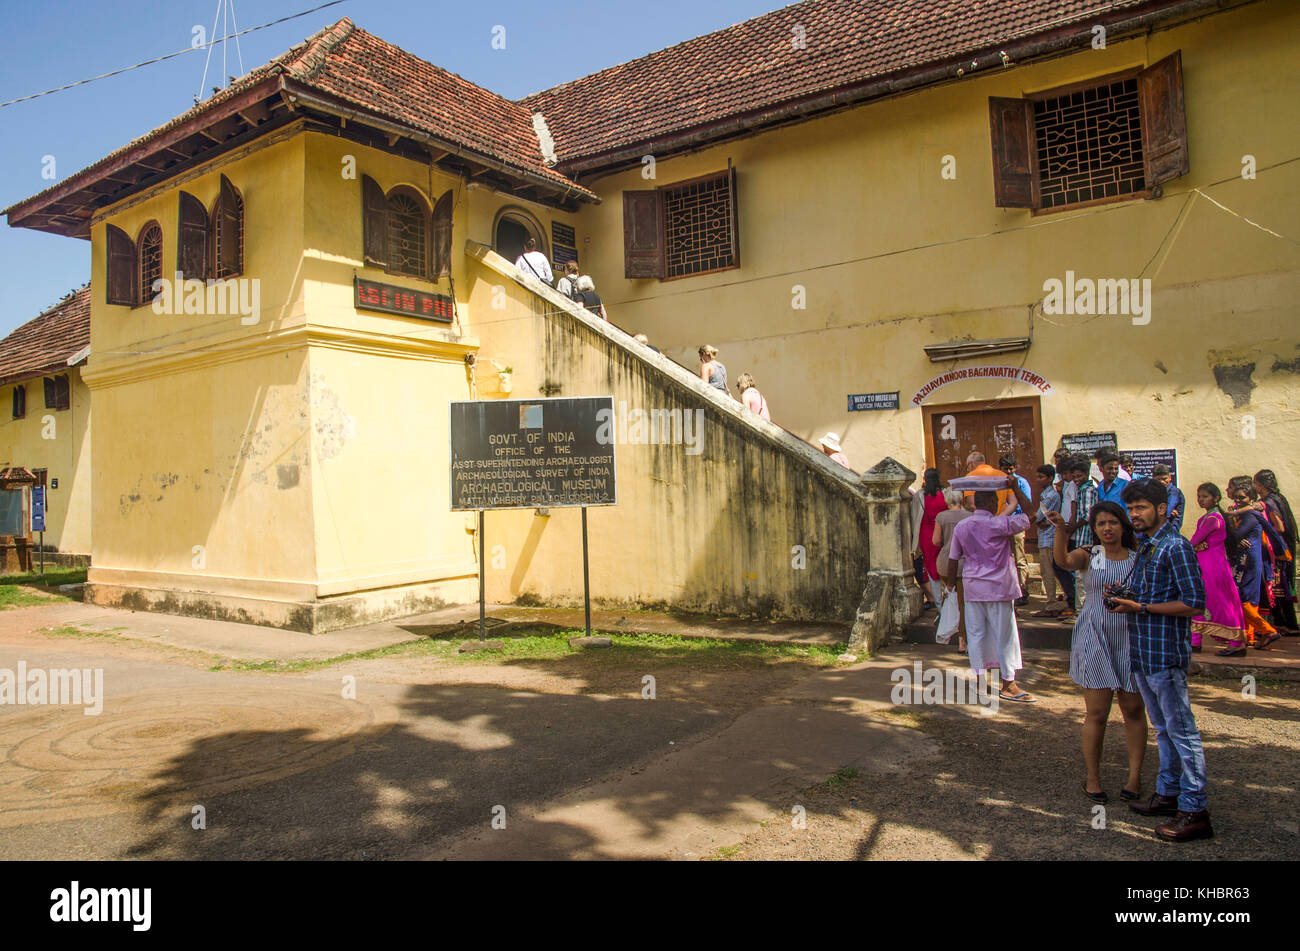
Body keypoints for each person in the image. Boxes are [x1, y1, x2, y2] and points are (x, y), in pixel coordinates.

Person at [1109, 478, 1211, 842]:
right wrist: (1125, 598)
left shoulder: (1175, 547)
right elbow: (1149, 593)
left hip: (1165, 655)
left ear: (1162, 509)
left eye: (1141, 508)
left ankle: (1195, 809)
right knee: (1165, 730)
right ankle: (1169, 794)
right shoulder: (1149, 546)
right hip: (1145, 653)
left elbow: (1194, 603)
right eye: (1131, 508)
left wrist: (1143, 607)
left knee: (1183, 733)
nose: (1134, 515)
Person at [1045, 501, 1144, 804]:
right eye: (1101, 524)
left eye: (1112, 522)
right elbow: (1062, 561)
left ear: (1123, 525)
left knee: (1133, 711)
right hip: (1095, 636)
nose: (1107, 528)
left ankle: (1135, 777)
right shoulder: (1091, 555)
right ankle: (1093, 778)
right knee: (1097, 713)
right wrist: (1061, 530)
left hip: (1130, 637)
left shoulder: (1139, 559)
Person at [946, 477, 1037, 702]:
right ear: (993, 505)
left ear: (975, 504)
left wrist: (950, 584)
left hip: (972, 587)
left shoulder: (963, 526)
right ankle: (1008, 683)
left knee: (976, 635)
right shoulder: (1000, 524)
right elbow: (1031, 516)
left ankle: (980, 681)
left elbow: (953, 558)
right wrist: (1015, 488)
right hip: (999, 588)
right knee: (1005, 635)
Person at [1223, 477, 1285, 653]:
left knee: (1243, 599)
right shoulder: (1244, 514)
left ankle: (1268, 630)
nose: (1238, 501)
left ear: (1251, 498)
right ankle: (1248, 636)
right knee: (1247, 599)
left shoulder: (1250, 515)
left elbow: (1235, 534)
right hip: (1245, 561)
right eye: (1236, 498)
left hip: (1249, 562)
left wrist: (1234, 531)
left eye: (1242, 498)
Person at [1189, 483, 1247, 653]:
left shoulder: (1213, 519)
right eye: (1199, 496)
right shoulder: (1211, 517)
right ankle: (1195, 640)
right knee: (1203, 599)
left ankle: (1236, 643)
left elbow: (1194, 541)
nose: (1200, 500)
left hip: (1212, 566)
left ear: (1215, 498)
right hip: (1208, 563)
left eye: (1205, 496)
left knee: (1220, 602)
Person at [1254, 468, 1298, 634]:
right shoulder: (1279, 498)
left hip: (1276, 551)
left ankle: (1284, 624)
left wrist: (1265, 530)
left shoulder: (1268, 502)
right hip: (1283, 549)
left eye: (1256, 483)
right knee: (1282, 587)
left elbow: (1279, 527)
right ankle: (1288, 624)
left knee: (1278, 588)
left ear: (1260, 485)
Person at [934, 488, 975, 652]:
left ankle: (950, 630)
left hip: (945, 561)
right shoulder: (970, 517)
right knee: (964, 604)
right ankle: (963, 641)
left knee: (950, 598)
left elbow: (936, 540)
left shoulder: (941, 517)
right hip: (965, 562)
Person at [1029, 464, 1065, 616]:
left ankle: (1051, 603)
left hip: (1049, 538)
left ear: (1050, 478)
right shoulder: (1047, 494)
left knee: (1048, 572)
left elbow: (1038, 516)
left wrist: (1035, 520)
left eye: (1041, 477)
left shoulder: (1051, 496)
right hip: (1046, 536)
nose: (1038, 480)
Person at [999, 453, 1033, 607]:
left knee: (1019, 558)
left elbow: (1027, 504)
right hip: (1002, 524)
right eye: (1005, 470)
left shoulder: (1021, 482)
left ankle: (1022, 590)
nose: (1008, 473)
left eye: (1011, 470)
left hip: (1017, 523)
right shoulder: (998, 482)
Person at [912, 469, 947, 607]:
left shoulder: (920, 496)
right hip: (943, 532)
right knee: (946, 562)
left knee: (931, 565)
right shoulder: (945, 494)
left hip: (926, 534)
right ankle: (947, 598)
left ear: (925, 479)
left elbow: (914, 517)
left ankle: (938, 602)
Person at [1151, 464, 1184, 534]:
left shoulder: (1174, 492)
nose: (1162, 482)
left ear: (1170, 478)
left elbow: (1167, 511)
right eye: (1158, 479)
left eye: (1164, 479)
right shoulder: (1152, 492)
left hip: (1170, 532)